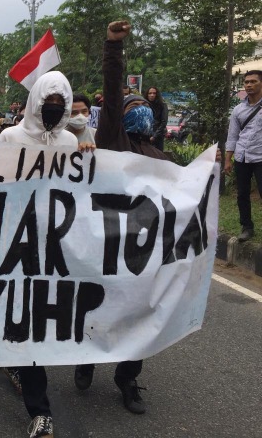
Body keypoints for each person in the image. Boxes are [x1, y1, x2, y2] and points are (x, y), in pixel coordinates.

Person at [74, 21, 169, 415]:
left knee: (138, 318)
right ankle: (85, 359)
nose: (140, 113)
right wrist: (113, 46)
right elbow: (113, 90)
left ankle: (128, 379)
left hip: (141, 257)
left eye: (145, 109)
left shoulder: (162, 159)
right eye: (134, 108)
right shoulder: (114, 139)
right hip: (104, 248)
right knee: (96, 310)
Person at [0, 70, 94, 438]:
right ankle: (38, 405)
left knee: (42, 320)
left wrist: (87, 157)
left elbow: (83, 190)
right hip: (15, 241)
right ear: (35, 101)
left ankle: (29, 384)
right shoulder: (9, 136)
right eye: (48, 102)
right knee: (21, 317)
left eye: (60, 104)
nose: (53, 109)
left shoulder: (71, 140)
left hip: (57, 244)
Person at [225, 69, 262, 242]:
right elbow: (232, 136)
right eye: (246, 82)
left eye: (253, 81)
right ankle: (247, 227)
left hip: (260, 157)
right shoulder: (238, 109)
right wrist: (228, 159)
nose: (248, 85)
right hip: (242, 157)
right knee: (242, 194)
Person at [144, 86, 168, 151]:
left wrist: (155, 136)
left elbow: (164, 122)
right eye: (150, 93)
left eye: (154, 93)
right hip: (146, 135)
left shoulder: (162, 105)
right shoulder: (144, 105)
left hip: (158, 135)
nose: (152, 95)